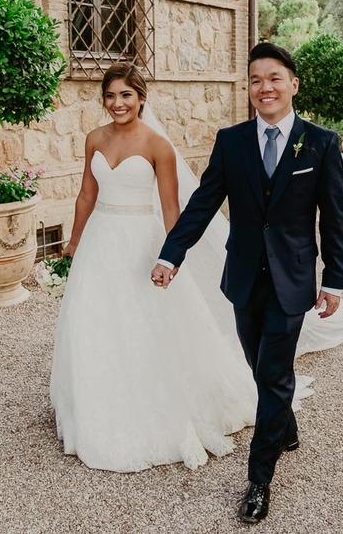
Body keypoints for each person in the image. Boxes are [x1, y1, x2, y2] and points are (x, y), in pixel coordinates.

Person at [152, 42, 343, 524]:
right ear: (249, 90)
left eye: (274, 78)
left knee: (275, 370)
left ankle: (259, 479)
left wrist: (335, 282)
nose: (265, 87)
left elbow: (335, 218)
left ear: (293, 84)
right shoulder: (232, 140)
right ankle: (284, 424)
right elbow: (203, 202)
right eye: (256, 80)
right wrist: (171, 253)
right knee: (258, 362)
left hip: (293, 277)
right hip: (243, 276)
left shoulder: (321, 143)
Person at [50, 62, 260, 472]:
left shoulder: (157, 145)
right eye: (110, 96)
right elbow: (85, 195)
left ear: (141, 98)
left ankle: (151, 403)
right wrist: (74, 241)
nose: (117, 103)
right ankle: (95, 402)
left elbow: (170, 207)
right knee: (89, 318)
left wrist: (172, 256)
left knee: (142, 321)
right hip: (98, 242)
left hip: (140, 243)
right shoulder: (94, 138)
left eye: (125, 95)